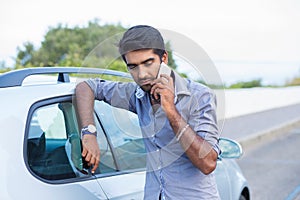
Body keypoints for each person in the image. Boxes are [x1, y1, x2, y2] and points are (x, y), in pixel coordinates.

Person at [75, 25, 220, 200]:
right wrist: (89, 133)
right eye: (133, 66)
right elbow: (86, 87)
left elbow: (207, 163)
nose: (142, 74)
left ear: (163, 58)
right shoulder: (137, 95)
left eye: (148, 63)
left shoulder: (200, 96)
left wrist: (171, 112)